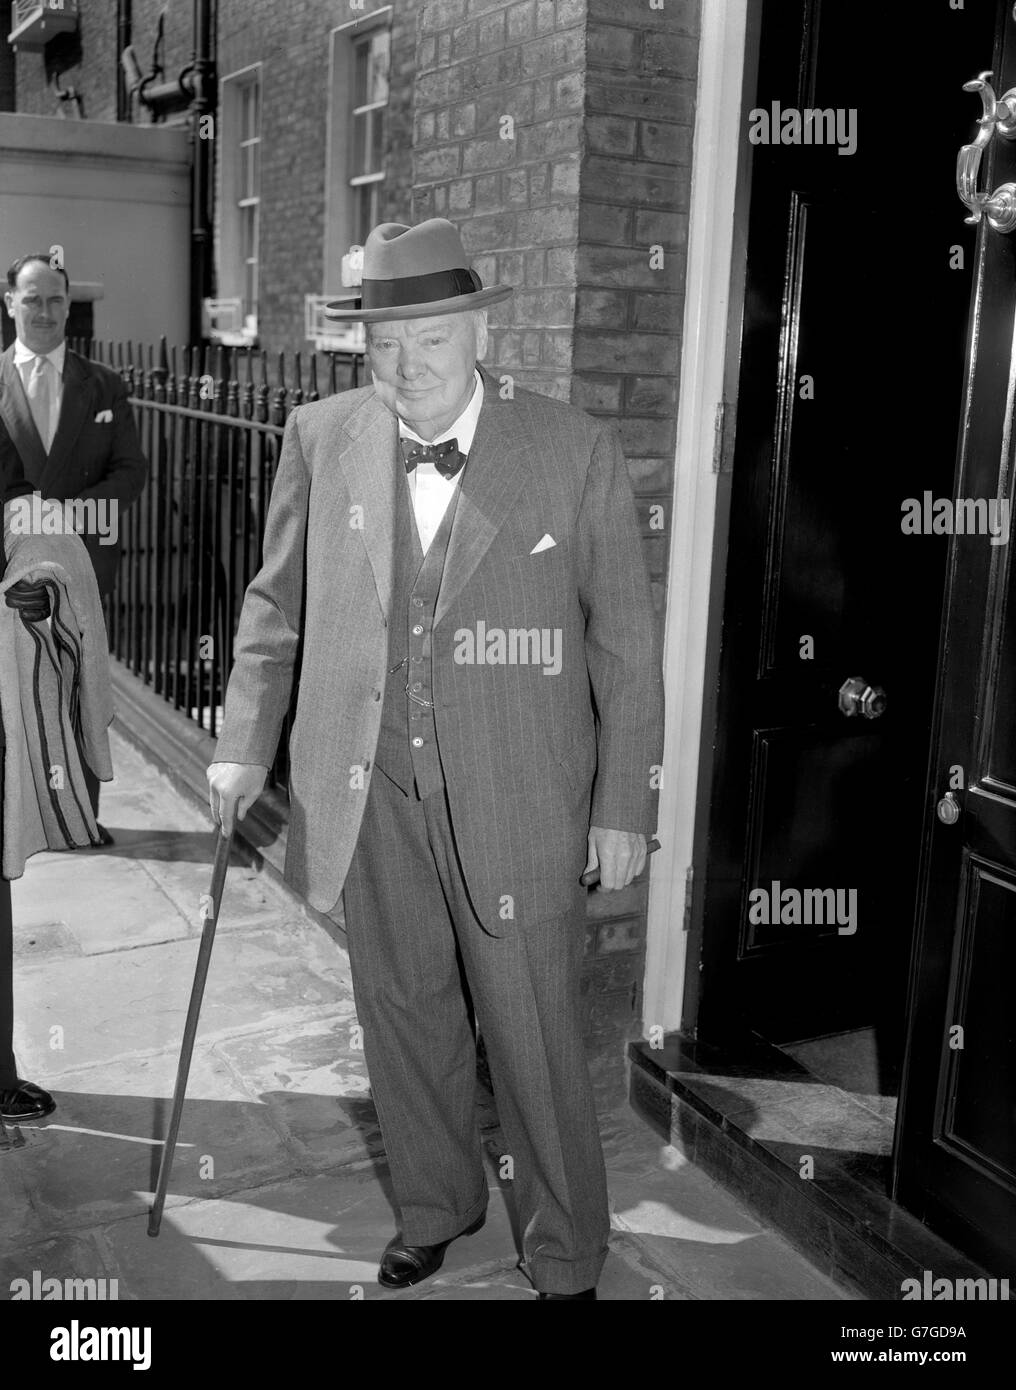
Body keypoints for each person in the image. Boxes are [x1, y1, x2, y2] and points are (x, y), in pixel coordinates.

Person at [207, 218, 664, 1299]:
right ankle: (435, 1206)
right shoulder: (320, 435)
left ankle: (563, 1253)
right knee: (403, 1016)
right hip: (373, 794)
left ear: (477, 332)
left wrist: (622, 805)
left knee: (534, 1037)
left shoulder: (569, 449)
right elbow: (274, 608)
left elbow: (624, 645)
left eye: (429, 342)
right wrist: (239, 747)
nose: (403, 369)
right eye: (382, 344)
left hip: (519, 794)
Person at [0, 253, 147, 840]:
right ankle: (27, 817)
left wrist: (63, 520)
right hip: (13, 577)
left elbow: (131, 470)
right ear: (9, 302)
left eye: (56, 299)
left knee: (80, 692)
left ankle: (80, 817)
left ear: (70, 306)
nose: (44, 311)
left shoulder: (104, 383)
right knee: (20, 697)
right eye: (31, 298)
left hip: (85, 567)